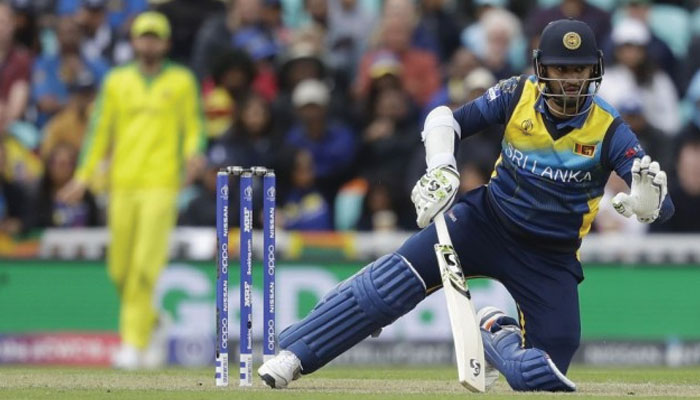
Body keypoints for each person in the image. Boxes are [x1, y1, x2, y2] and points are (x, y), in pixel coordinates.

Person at [258, 19, 675, 392]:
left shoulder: (609, 127)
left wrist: (647, 202)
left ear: (593, 70)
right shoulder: (517, 94)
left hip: (550, 256)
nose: (570, 80)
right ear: (542, 68)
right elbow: (445, 119)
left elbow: (658, 197)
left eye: (578, 70)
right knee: (391, 285)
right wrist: (443, 169)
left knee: (543, 374)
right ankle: (293, 354)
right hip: (485, 224)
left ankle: (497, 334)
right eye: (561, 70)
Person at [58, 11, 204, 369]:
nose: (149, 43)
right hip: (121, 184)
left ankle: (132, 344)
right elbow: (99, 131)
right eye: (143, 36)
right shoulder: (116, 81)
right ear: (134, 41)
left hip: (161, 184)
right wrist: (82, 176)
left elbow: (193, 127)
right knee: (119, 269)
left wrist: (193, 156)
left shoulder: (182, 81)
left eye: (155, 37)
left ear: (166, 43)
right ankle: (153, 321)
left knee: (144, 267)